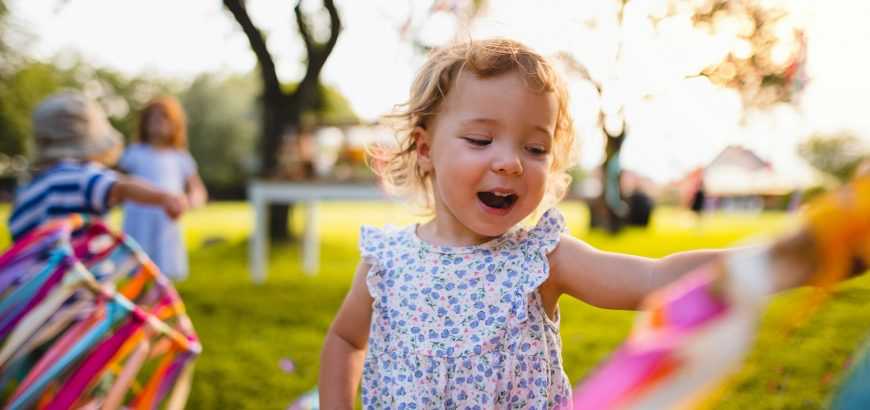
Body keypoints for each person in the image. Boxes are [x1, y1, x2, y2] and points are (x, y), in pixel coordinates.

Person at [316, 38, 739, 408]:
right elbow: (345, 340)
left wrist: (757, 261)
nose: (511, 163)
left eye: (536, 148)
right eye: (481, 140)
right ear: (426, 150)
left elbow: (653, 280)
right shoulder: (386, 264)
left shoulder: (542, 260)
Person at [7, 91, 186, 243]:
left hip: (39, 275)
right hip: (81, 272)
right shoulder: (81, 177)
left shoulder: (27, 192)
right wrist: (165, 198)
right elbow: (121, 188)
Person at [119, 96, 207, 281]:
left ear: (175, 124)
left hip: (166, 223)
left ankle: (158, 299)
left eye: (164, 117)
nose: (157, 121)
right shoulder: (134, 153)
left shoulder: (180, 157)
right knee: (137, 272)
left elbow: (198, 190)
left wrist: (187, 202)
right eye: (152, 117)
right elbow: (118, 183)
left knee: (164, 276)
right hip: (138, 220)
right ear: (144, 122)